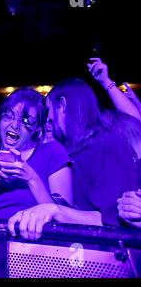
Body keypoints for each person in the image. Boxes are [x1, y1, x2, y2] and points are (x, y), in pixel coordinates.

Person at [8, 78, 139, 241]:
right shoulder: (69, 151)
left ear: (62, 105)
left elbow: (114, 221)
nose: (48, 122)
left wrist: (55, 211)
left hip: (102, 259)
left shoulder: (109, 147)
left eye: (49, 112)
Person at [0, 88, 73, 220]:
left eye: (26, 121)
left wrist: (32, 178)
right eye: (9, 115)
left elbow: (65, 220)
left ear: (37, 128)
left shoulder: (52, 153)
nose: (15, 125)